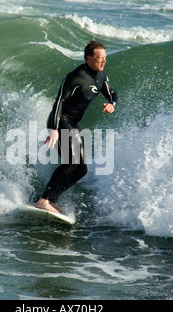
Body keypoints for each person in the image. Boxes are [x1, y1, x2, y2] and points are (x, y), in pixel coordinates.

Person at [35, 41, 118, 213]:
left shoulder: (101, 76)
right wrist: (53, 129)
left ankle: (52, 199)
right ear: (89, 58)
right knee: (71, 162)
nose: (104, 61)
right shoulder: (76, 77)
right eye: (100, 58)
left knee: (81, 169)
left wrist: (112, 103)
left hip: (74, 124)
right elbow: (59, 102)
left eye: (105, 58)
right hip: (62, 120)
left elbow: (112, 93)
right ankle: (43, 200)